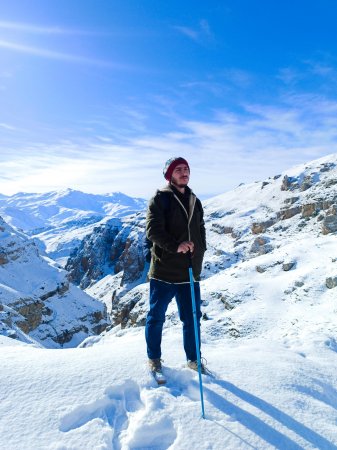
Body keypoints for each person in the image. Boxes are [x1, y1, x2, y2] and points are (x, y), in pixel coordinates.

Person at [145, 156, 207, 376]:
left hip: (189, 271)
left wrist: (201, 249)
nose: (184, 172)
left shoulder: (194, 199)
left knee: (192, 318)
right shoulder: (160, 199)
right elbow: (153, 231)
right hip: (164, 271)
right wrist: (175, 246)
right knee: (156, 317)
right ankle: (154, 359)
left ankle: (194, 360)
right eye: (179, 169)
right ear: (169, 174)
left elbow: (200, 228)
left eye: (186, 169)